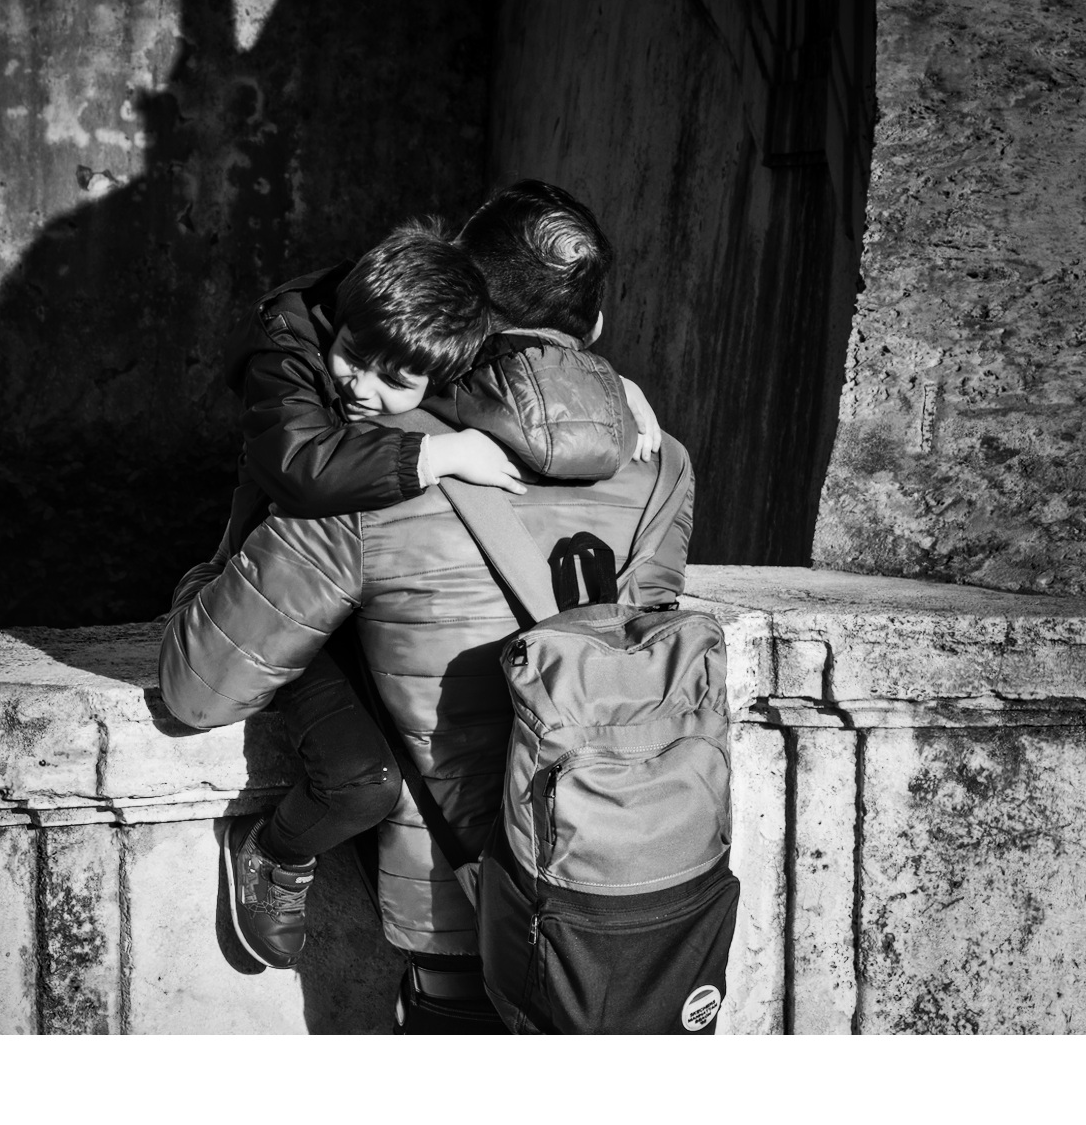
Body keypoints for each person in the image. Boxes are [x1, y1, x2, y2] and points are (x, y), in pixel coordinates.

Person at [160, 183, 693, 1031]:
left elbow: (198, 690)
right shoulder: (663, 464)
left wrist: (210, 574)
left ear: (467, 306)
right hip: (623, 888)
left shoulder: (378, 468)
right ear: (590, 330)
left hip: (457, 914)